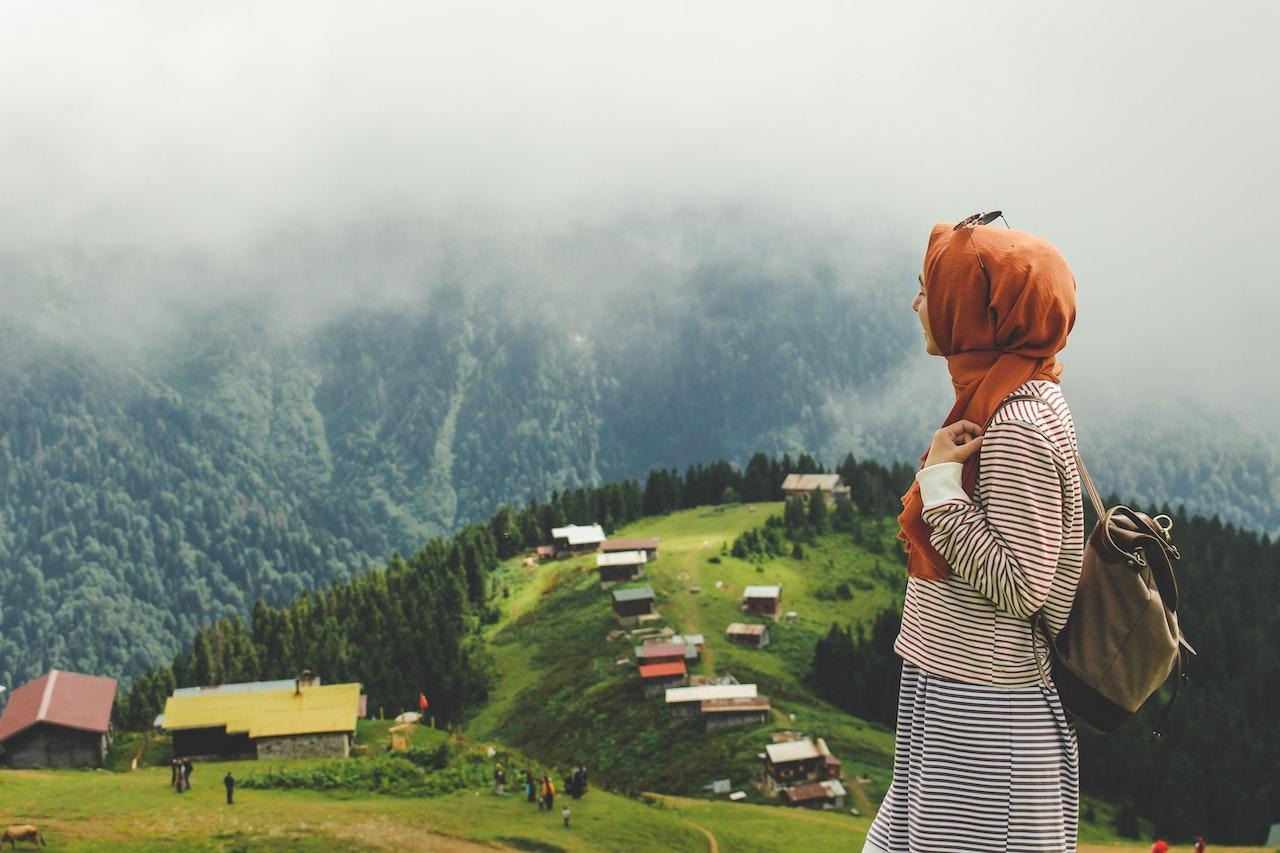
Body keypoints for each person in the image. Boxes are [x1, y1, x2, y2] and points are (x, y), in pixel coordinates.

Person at [862, 217, 1083, 853]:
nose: (917, 305)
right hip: (956, 690)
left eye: (930, 290)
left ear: (974, 310)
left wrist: (938, 487)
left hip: (986, 715)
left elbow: (1024, 586)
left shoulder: (1016, 425)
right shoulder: (1005, 398)